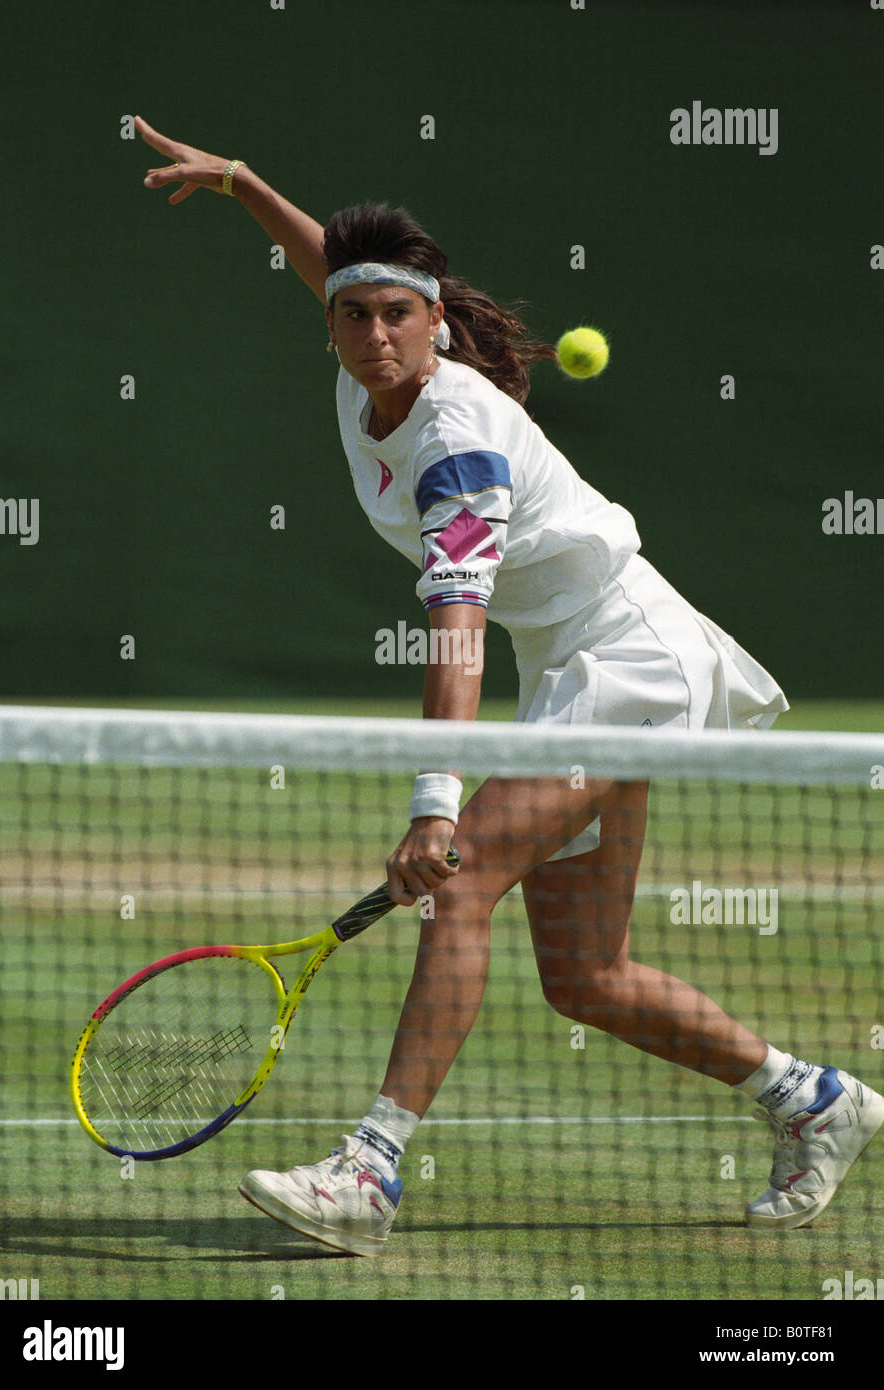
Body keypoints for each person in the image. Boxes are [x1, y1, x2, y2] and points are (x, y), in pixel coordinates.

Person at [137, 116, 884, 1258]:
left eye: (398, 313)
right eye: (354, 312)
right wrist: (239, 181)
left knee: (465, 872)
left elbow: (457, 626)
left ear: (434, 322)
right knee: (586, 976)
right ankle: (816, 1099)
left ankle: (370, 1172)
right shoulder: (360, 364)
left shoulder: (456, 444)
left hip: (634, 661)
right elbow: (320, 258)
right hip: (577, 668)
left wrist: (433, 799)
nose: (374, 330)